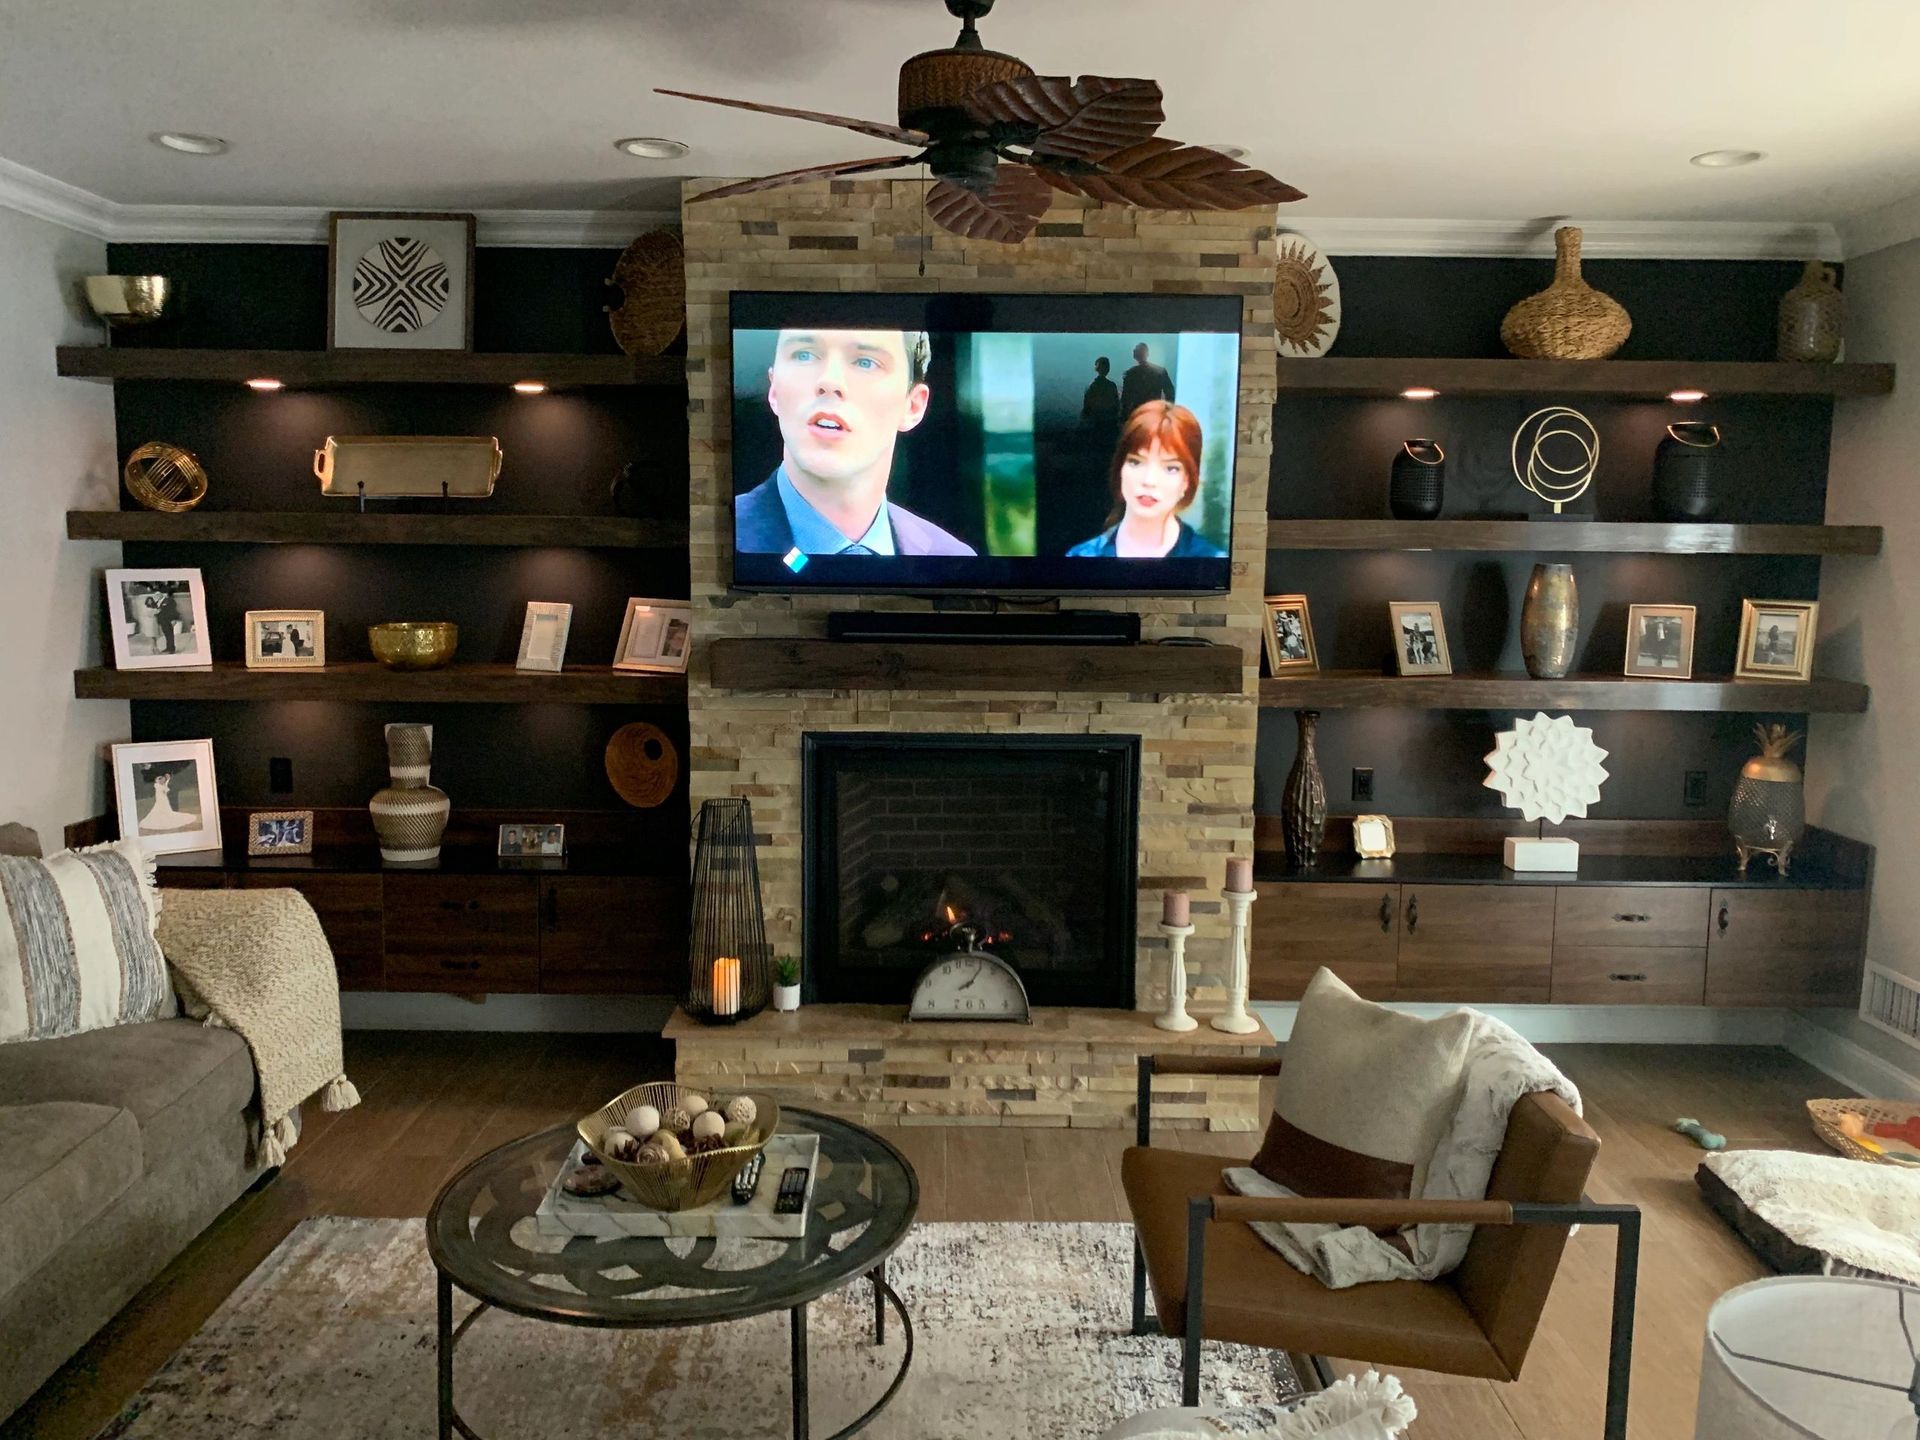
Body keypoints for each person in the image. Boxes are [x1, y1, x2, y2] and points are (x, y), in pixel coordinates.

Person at [734, 328, 975, 557]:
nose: (830, 381)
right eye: (804, 355)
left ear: (912, 406)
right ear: (774, 389)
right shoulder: (716, 535)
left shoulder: (955, 560)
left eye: (865, 362)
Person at [1065, 401, 1227, 559]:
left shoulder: (1210, 561)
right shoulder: (1081, 557)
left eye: (1170, 468)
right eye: (1136, 462)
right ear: (1120, 468)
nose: (1149, 480)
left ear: (1187, 480)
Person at [1119, 341, 1175, 419]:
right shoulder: (1160, 371)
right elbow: (1170, 393)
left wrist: (1124, 417)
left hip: (1137, 415)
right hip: (1154, 414)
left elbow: (1125, 399)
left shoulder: (1131, 374)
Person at [1081, 356, 1120, 431]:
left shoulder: (1091, 386)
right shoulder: (1112, 386)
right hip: (1109, 423)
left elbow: (1086, 407)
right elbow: (1116, 405)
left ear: (1097, 369)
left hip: (1095, 422)